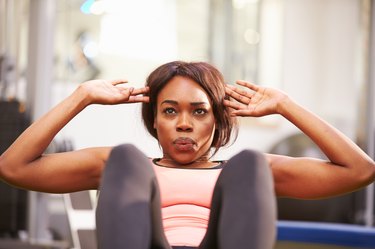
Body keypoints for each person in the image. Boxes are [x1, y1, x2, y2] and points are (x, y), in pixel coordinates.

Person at [0, 61, 374, 249]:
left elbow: (360, 170)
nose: (183, 124)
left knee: (250, 164)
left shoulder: (248, 174)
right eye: (169, 110)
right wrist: (80, 97)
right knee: (126, 158)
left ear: (218, 118)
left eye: (198, 111)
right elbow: (13, 167)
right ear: (154, 120)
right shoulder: (123, 169)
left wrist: (286, 106)